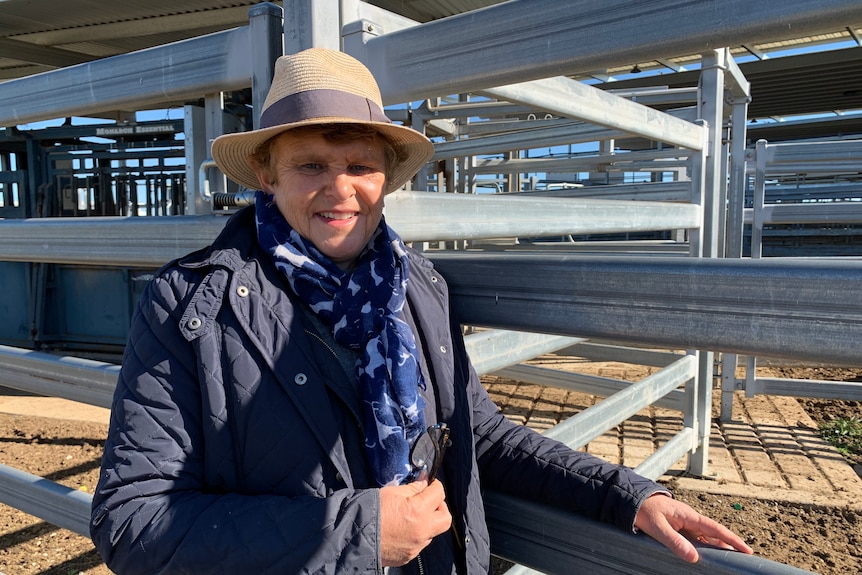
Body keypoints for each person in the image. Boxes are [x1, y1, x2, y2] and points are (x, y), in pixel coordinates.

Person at [90, 48, 753, 574]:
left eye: (361, 164)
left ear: (386, 176)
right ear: (267, 173)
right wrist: (357, 532)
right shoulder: (191, 305)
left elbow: (480, 436)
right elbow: (132, 520)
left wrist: (629, 495)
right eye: (310, 165)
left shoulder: (416, 289)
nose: (341, 189)